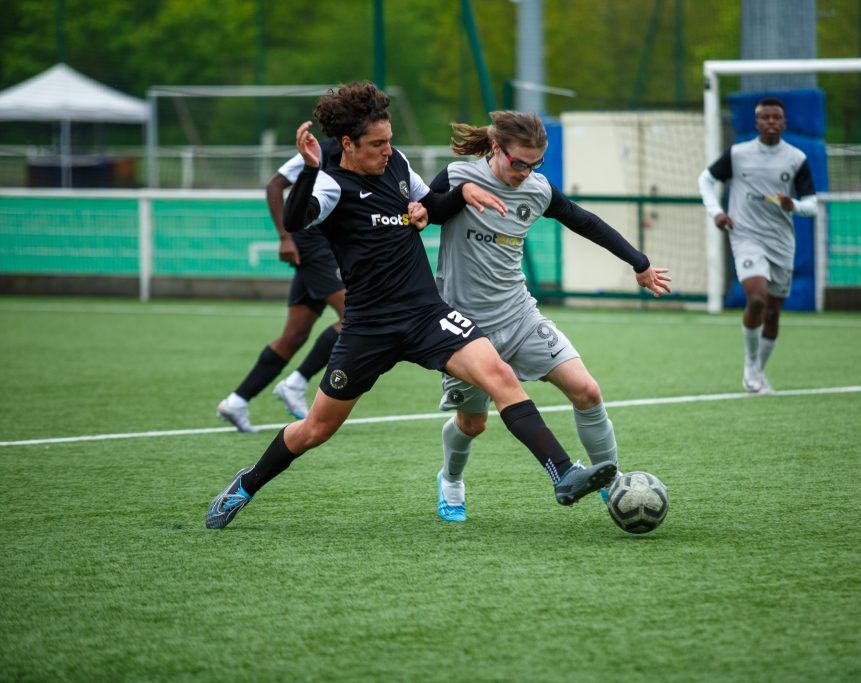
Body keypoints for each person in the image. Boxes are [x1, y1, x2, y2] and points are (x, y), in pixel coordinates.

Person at [205, 82, 617, 530]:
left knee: (498, 375)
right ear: (348, 144)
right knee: (315, 430)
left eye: (390, 140)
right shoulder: (329, 185)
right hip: (368, 327)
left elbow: (430, 204)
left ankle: (563, 473)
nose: (388, 150)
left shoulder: (397, 165)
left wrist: (451, 200)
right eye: (377, 144)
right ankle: (245, 485)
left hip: (427, 314)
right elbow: (297, 218)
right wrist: (307, 171)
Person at [427, 111, 672, 522]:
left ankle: (613, 484)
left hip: (519, 315)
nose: (525, 173)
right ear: (495, 147)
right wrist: (462, 194)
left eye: (534, 164)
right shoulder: (455, 177)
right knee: (472, 424)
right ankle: (451, 479)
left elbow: (585, 222)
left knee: (587, 391)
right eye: (517, 162)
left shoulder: (537, 189)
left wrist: (639, 262)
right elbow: (425, 214)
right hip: (466, 329)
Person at [216, 139, 348, 433]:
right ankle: (296, 383)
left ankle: (236, 401)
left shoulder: (364, 150)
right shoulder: (322, 150)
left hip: (325, 242)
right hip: (309, 241)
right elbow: (274, 185)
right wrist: (285, 236)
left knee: (295, 334)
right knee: (355, 316)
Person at [698, 97, 817, 394]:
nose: (772, 122)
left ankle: (759, 371)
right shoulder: (738, 154)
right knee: (757, 300)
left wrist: (796, 206)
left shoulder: (796, 158)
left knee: (773, 312)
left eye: (777, 117)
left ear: (785, 122)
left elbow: (813, 205)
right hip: (745, 235)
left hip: (781, 242)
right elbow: (706, 179)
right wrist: (717, 212)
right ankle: (750, 367)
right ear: (757, 122)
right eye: (766, 117)